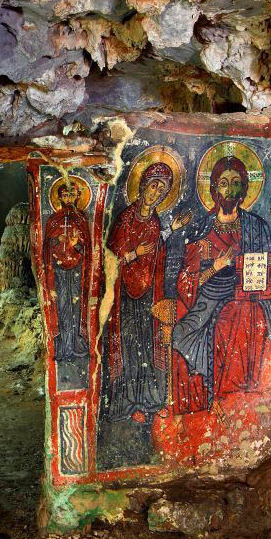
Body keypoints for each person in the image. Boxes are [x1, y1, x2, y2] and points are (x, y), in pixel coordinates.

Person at [172, 155, 271, 411]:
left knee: (237, 318)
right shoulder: (201, 228)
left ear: (244, 190)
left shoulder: (256, 226)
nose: (229, 189)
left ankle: (235, 393)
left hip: (247, 296)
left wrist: (268, 264)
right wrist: (216, 266)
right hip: (208, 297)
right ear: (214, 189)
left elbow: (268, 271)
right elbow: (186, 280)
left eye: (236, 183)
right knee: (181, 333)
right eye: (223, 183)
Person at [102, 161, 191, 424]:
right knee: (128, 346)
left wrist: (172, 229)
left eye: (161, 192)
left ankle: (148, 400)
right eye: (153, 188)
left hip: (148, 293)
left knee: (146, 346)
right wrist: (133, 255)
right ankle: (125, 402)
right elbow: (112, 258)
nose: (156, 195)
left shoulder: (154, 220)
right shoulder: (124, 219)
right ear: (142, 188)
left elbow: (155, 248)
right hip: (124, 297)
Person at [42, 178, 92, 365]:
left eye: (72, 194)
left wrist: (75, 244)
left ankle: (76, 344)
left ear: (78, 196)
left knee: (77, 307)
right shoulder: (54, 220)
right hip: (59, 272)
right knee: (62, 305)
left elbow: (87, 245)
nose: (68, 198)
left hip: (77, 270)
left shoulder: (82, 219)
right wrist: (57, 239)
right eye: (65, 195)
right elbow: (47, 246)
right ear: (60, 197)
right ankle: (63, 346)